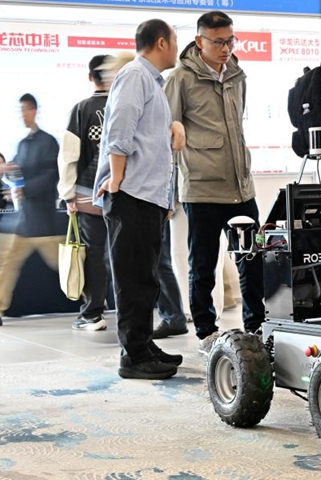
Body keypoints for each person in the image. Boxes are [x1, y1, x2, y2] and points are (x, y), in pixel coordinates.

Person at [163, 11, 263, 351]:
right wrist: (169, 190)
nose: (225, 48)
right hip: (202, 187)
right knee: (203, 263)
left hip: (240, 185)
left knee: (252, 258)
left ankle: (257, 325)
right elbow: (170, 133)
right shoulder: (179, 78)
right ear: (199, 41)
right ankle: (206, 331)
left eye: (230, 40)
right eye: (218, 42)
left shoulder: (238, 75)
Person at [94, 19, 185, 379]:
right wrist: (116, 179)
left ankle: (143, 344)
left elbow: (148, 134)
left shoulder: (151, 82)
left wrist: (173, 126)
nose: (177, 48)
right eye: (175, 41)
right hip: (129, 194)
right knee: (132, 279)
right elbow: (120, 128)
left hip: (147, 198)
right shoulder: (135, 75)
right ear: (161, 42)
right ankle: (133, 357)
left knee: (145, 279)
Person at [58, 54, 113, 331]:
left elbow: (69, 155)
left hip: (88, 196)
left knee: (93, 254)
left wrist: (68, 194)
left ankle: (93, 314)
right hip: (124, 195)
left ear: (91, 77)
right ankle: (132, 313)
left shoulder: (81, 109)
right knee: (127, 254)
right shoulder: (124, 107)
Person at [0, 94, 61, 327]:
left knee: (62, 266)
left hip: (44, 222)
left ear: (35, 110)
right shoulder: (23, 144)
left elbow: (51, 175)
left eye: (26, 109)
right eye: (20, 110)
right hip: (25, 221)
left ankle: (94, 302)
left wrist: (25, 190)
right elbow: (17, 169)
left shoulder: (48, 142)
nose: (23, 114)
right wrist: (7, 170)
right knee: (7, 262)